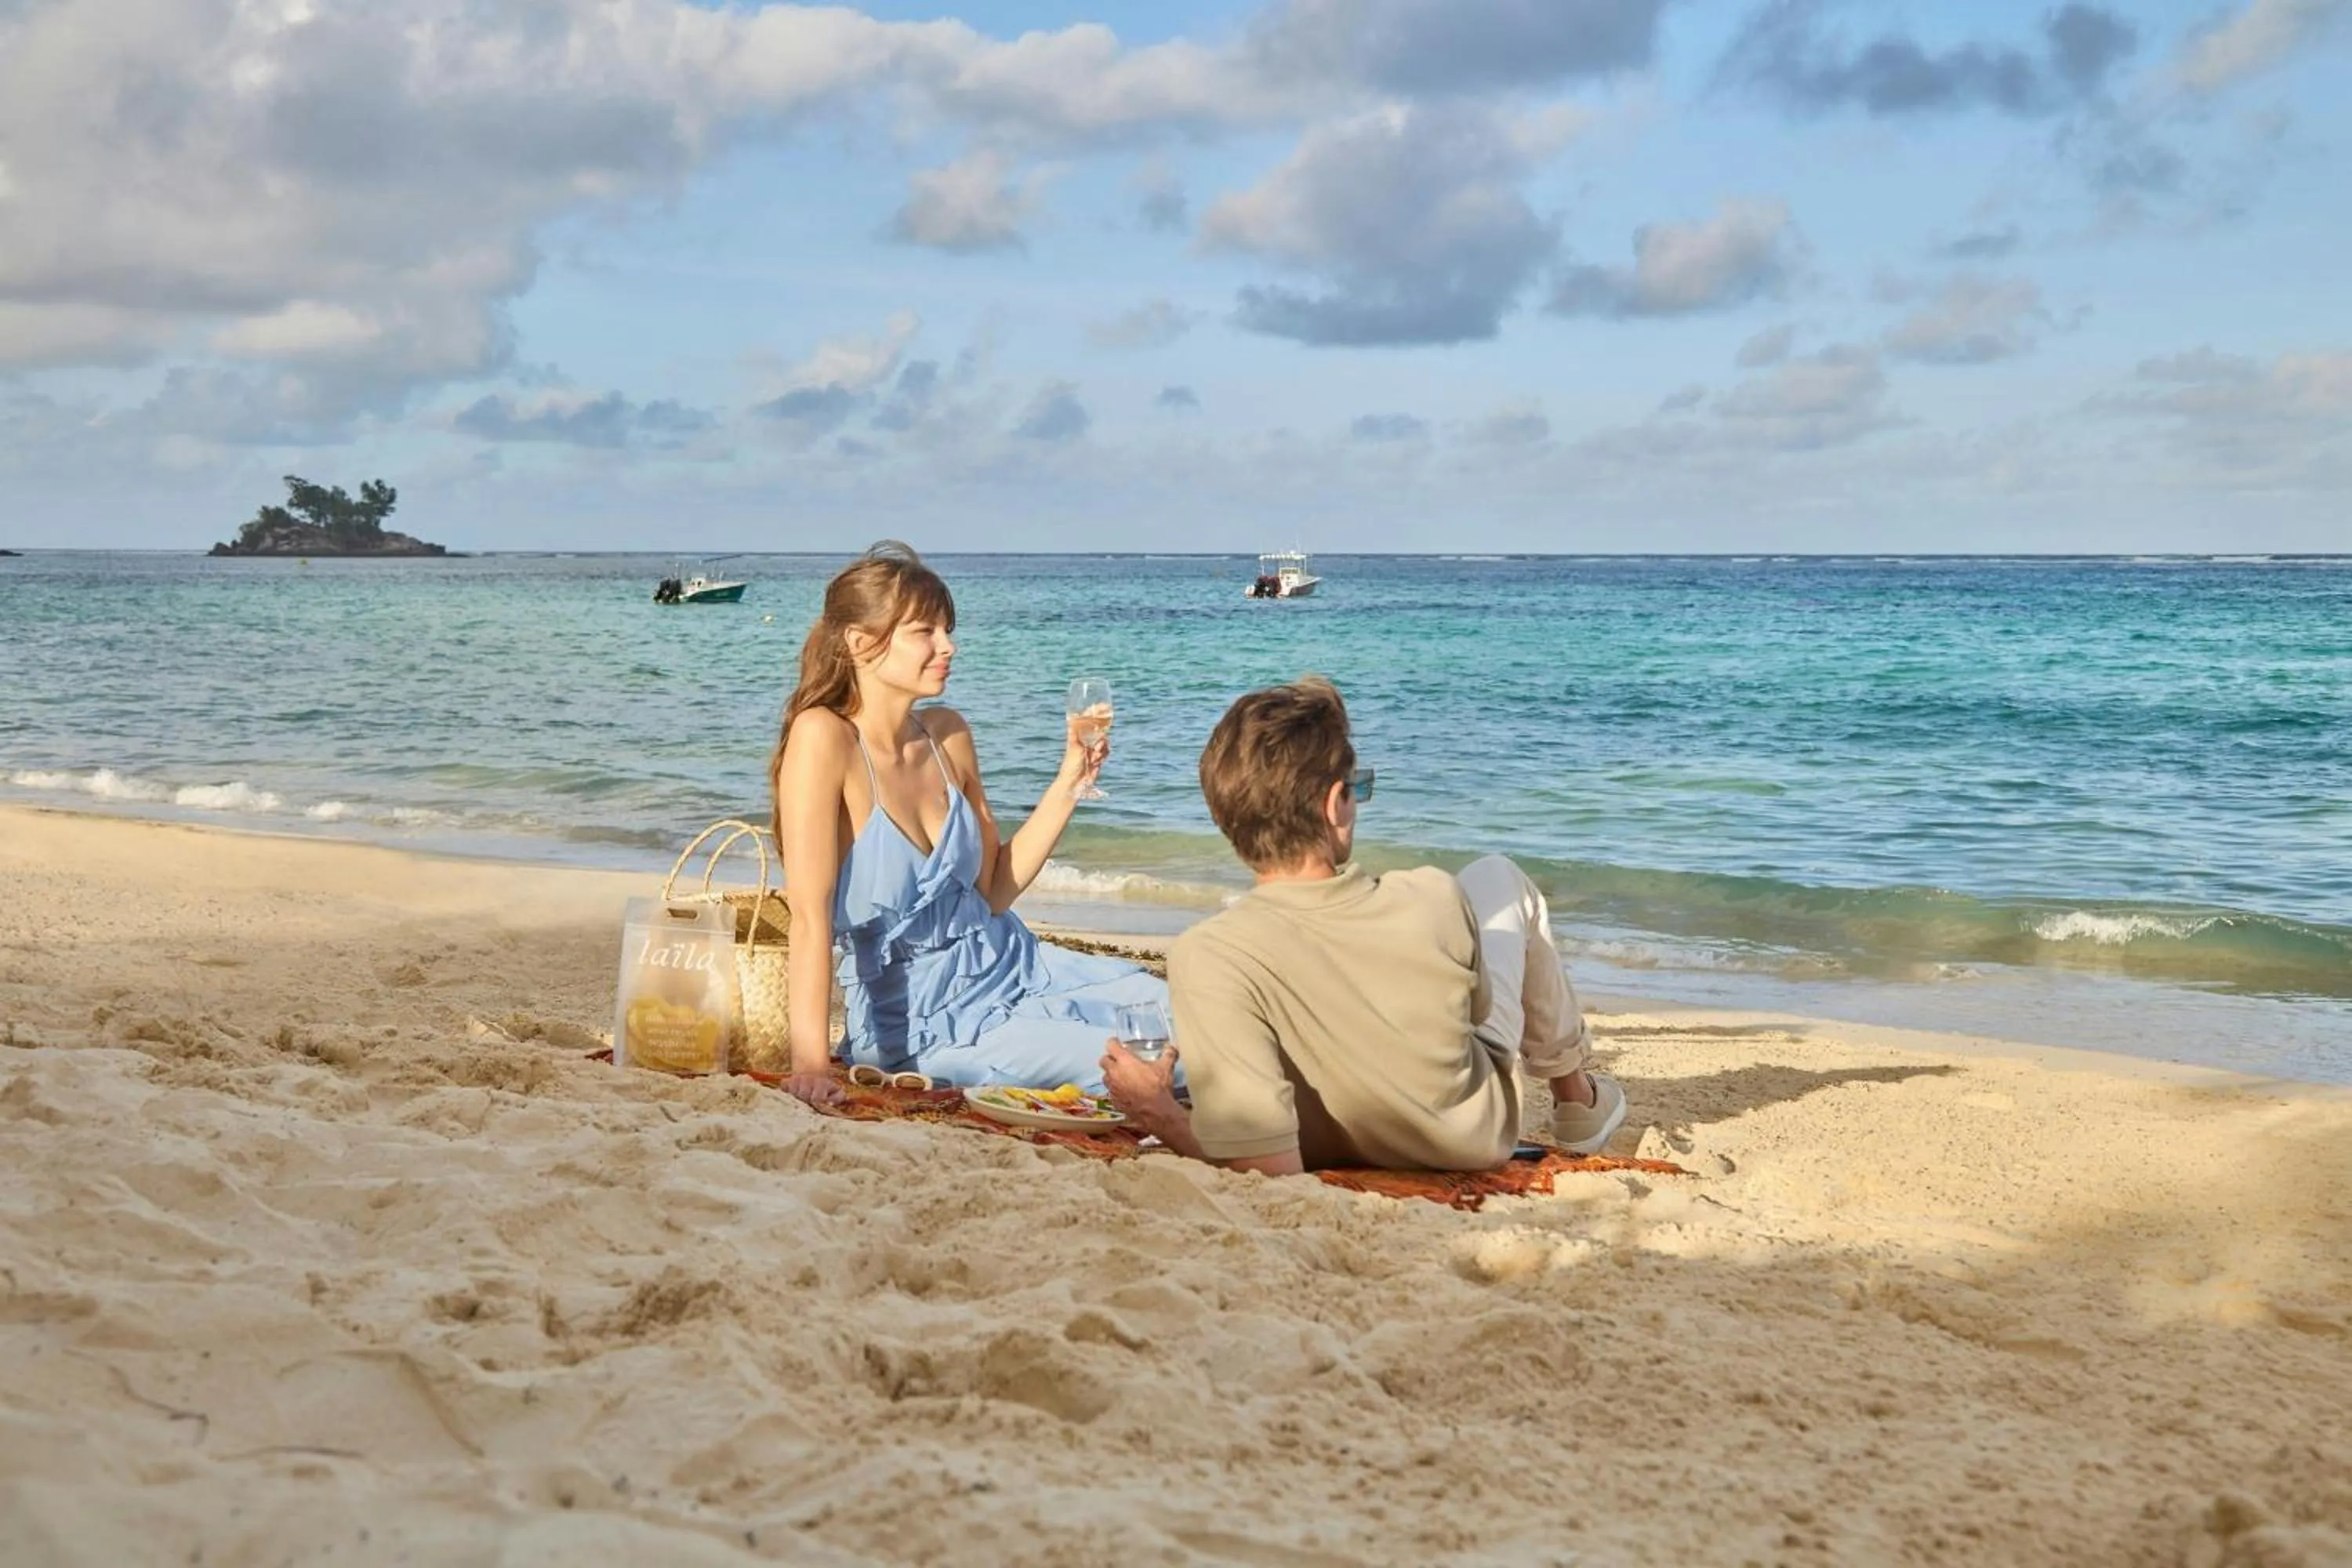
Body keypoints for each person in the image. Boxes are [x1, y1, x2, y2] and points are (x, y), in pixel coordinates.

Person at [1100, 677, 1627, 1175]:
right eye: (1358, 788)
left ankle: (1579, 1100)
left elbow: (1263, 1166)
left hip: (1323, 1144)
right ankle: (1576, 1099)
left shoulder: (1209, 955)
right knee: (1497, 876)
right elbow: (1477, 1016)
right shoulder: (1432, 896)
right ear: (1336, 805)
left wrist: (1158, 1111)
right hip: (1468, 1139)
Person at [771, 543, 1167, 1107]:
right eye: (924, 632)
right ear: (859, 643)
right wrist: (810, 1067)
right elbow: (809, 918)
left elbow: (995, 891)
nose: (947, 646)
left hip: (1021, 967)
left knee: (1191, 1019)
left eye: (947, 630)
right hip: (931, 1023)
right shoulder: (824, 737)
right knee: (1161, 1062)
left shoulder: (947, 733)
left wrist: (1071, 781)